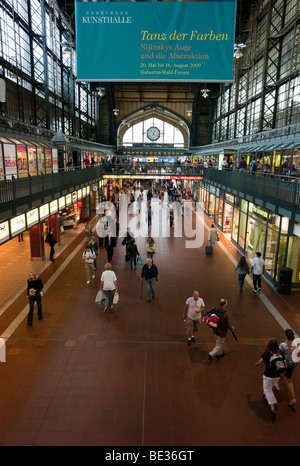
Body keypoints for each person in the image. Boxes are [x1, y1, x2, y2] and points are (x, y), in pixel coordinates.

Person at [255, 337, 284, 419]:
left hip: (268, 375)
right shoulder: (280, 353)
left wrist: (256, 364)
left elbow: (259, 362)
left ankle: (273, 408)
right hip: (277, 375)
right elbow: (284, 363)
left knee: (268, 390)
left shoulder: (266, 354)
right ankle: (272, 388)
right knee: (271, 385)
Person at [279, 329, 298, 411]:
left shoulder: (282, 345)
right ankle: (293, 398)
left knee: (280, 375)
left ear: (286, 335)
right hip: (292, 364)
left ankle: (277, 385)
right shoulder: (295, 344)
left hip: (285, 364)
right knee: (289, 379)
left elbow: (280, 354)